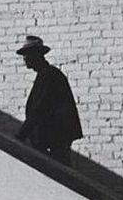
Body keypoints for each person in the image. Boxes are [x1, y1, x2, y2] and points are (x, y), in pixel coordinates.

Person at [14, 35, 83, 165]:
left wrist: (21, 135)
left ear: (37, 55)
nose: (25, 58)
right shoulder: (47, 74)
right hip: (53, 138)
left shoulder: (48, 76)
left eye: (27, 54)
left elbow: (39, 108)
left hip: (54, 138)